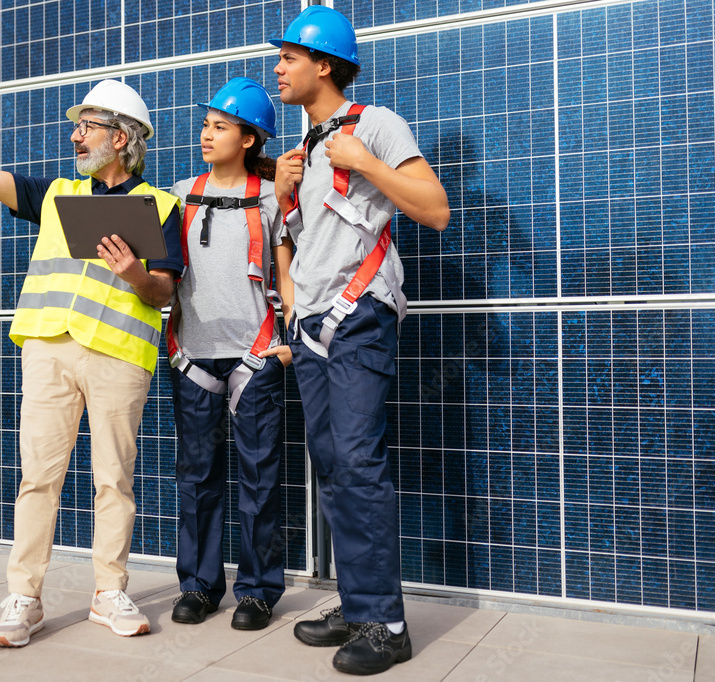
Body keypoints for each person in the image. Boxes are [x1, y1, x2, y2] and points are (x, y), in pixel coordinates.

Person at [0, 70, 184, 646]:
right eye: (77, 129)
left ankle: (108, 593)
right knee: (38, 479)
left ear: (120, 138)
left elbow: (164, 292)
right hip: (49, 351)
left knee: (113, 481)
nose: (75, 137)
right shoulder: (55, 195)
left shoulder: (160, 206)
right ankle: (24, 598)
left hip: (119, 359)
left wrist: (133, 273)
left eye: (87, 128)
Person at [269, 7, 449, 676]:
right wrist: (285, 199)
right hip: (311, 328)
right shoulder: (306, 148)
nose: (277, 68)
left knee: (359, 462)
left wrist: (366, 159)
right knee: (335, 465)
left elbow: (434, 210)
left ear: (323, 63)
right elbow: (303, 247)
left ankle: (386, 623)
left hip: (359, 317)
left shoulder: (374, 125)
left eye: (289, 57)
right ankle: (357, 600)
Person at [166, 78, 293, 631]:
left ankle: (259, 591)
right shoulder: (176, 193)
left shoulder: (271, 199)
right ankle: (199, 586)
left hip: (255, 356)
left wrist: (286, 344)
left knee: (259, 477)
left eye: (220, 127)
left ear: (249, 139)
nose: (206, 134)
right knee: (196, 477)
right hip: (191, 357)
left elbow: (289, 272)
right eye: (205, 124)